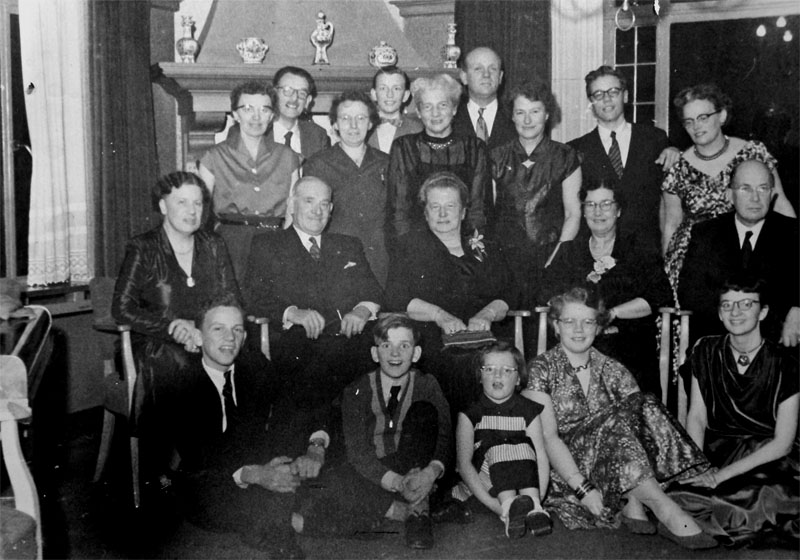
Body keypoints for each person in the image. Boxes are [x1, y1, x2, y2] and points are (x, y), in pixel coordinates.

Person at [521, 288, 717, 550]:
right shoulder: (540, 369)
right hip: (568, 470)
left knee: (643, 402)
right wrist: (582, 489)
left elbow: (640, 429)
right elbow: (549, 438)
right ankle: (663, 507)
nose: (579, 329)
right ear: (556, 326)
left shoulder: (612, 368)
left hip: (615, 465)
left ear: (599, 327)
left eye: (588, 321)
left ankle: (635, 499)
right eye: (570, 321)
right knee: (613, 422)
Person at [166, 294, 329, 560]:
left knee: (299, 458)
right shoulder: (182, 385)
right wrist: (255, 474)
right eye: (218, 329)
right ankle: (281, 526)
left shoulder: (254, 367)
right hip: (205, 484)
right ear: (197, 337)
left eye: (237, 330)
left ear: (244, 338)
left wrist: (315, 446)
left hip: (257, 469)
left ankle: (277, 520)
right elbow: (200, 461)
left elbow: (298, 403)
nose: (229, 338)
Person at [112, 172, 238, 471]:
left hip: (206, 339)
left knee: (249, 362)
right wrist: (171, 326)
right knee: (180, 364)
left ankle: (233, 462)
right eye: (182, 202)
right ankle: (197, 469)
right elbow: (122, 309)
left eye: (197, 203)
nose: (192, 211)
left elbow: (230, 299)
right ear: (163, 206)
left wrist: (207, 332)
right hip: (152, 342)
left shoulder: (214, 244)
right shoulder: (143, 247)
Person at [300, 315, 453, 549]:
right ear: (374, 353)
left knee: (424, 412)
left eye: (404, 346)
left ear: (416, 353)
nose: (395, 354)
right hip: (376, 471)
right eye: (386, 345)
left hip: (418, 464)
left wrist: (430, 473)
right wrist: (397, 482)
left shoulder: (427, 384)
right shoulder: (358, 390)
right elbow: (358, 451)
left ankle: (417, 513)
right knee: (334, 482)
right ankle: (402, 507)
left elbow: (444, 436)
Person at [671, 277, 799, 547]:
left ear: (762, 312)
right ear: (719, 313)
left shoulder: (787, 364)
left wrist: (719, 476)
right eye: (727, 305)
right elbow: (697, 417)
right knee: (682, 490)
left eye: (745, 304)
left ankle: (703, 522)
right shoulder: (705, 350)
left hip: (769, 459)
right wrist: (698, 466)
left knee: (751, 497)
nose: (735, 312)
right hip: (720, 451)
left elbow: (783, 444)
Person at [243, 176, 383, 413]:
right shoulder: (268, 245)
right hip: (297, 342)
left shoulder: (348, 244)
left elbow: (372, 289)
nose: (318, 211)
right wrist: (292, 312)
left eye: (324, 204)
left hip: (351, 338)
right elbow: (253, 297)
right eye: (309, 201)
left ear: (331, 209)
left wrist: (361, 310)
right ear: (291, 205)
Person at [386, 171, 514, 418]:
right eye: (435, 207)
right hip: (433, 339)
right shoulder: (410, 247)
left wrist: (487, 313)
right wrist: (440, 316)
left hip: (484, 338)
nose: (443, 214)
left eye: (450, 206)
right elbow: (397, 296)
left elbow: (509, 293)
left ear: (463, 211)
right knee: (455, 367)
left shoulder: (485, 245)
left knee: (493, 361)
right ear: (425, 213)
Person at [661, 83, 796, 299]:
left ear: (722, 116)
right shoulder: (678, 168)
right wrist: (667, 276)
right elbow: (671, 225)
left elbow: (779, 202)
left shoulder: (752, 152)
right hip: (696, 263)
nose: (696, 126)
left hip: (747, 252)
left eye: (703, 117)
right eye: (689, 121)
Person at [545, 180, 672, 396]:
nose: (598, 211)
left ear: (618, 210)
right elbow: (549, 294)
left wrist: (611, 314)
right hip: (578, 342)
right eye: (590, 205)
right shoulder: (569, 251)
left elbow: (657, 296)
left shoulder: (639, 248)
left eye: (606, 204)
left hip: (629, 343)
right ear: (583, 211)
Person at [679, 159, 799, 347]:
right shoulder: (706, 234)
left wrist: (797, 309)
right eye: (745, 188)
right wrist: (735, 318)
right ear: (729, 195)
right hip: (718, 342)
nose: (755, 198)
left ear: (772, 194)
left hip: (777, 344)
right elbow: (690, 293)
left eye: (763, 188)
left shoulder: (792, 234)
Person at [490, 80, 582, 307]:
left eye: (535, 111)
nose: (528, 120)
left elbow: (573, 214)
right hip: (506, 261)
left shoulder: (565, 156)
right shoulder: (496, 157)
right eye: (520, 112)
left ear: (547, 114)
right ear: (511, 116)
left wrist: (556, 258)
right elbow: (489, 213)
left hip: (551, 257)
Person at [568, 65, 679, 251]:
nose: (607, 99)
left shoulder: (655, 139)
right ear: (591, 102)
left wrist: (676, 152)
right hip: (598, 254)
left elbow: (669, 207)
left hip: (647, 252)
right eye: (598, 94)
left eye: (613, 91)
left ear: (625, 96)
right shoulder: (575, 149)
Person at [198, 81, 300, 280]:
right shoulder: (214, 157)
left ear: (272, 116)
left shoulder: (288, 157)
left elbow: (293, 208)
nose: (256, 117)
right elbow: (202, 213)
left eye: (264, 110)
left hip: (275, 240)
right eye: (247, 109)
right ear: (235, 115)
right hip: (230, 242)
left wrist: (286, 244)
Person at [453, 341, 552, 539]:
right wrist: (497, 508)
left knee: (524, 446)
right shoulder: (470, 414)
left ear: (518, 379)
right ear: (480, 376)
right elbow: (464, 465)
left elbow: (540, 455)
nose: (497, 375)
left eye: (507, 370)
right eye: (489, 369)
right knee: (501, 446)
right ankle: (509, 510)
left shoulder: (528, 410)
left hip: (522, 483)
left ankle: (533, 508)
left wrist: (539, 498)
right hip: (484, 486)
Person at [386, 73, 491, 243]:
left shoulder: (475, 148)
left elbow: (478, 209)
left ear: (454, 109)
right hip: (416, 247)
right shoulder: (404, 147)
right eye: (427, 107)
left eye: (443, 105)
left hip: (464, 245)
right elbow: (399, 211)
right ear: (419, 112)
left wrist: (471, 253)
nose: (436, 113)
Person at [303, 91, 390, 285]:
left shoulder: (387, 162)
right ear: (334, 124)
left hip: (381, 260)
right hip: (336, 261)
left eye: (360, 118)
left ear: (370, 123)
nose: (353, 125)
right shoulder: (318, 164)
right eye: (345, 118)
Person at [451, 46, 516, 150]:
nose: (486, 74)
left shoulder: (516, 117)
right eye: (478, 69)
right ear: (464, 77)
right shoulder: (450, 119)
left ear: (500, 77)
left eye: (493, 69)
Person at [271, 66, 330, 160]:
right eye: (287, 91)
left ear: (307, 101)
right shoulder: (258, 130)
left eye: (302, 93)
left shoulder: (317, 135)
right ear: (274, 94)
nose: (294, 98)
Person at [368, 66, 424, 154]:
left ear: (405, 95)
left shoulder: (417, 130)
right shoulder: (362, 127)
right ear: (374, 94)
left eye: (396, 88)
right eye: (383, 88)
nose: (389, 94)